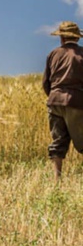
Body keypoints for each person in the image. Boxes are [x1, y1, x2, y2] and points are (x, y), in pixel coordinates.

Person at [42, 21, 83, 179]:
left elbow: (46, 82)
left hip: (54, 101)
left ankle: (57, 179)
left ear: (62, 38)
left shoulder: (53, 54)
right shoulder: (82, 53)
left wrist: (54, 96)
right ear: (77, 38)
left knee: (58, 140)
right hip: (76, 101)